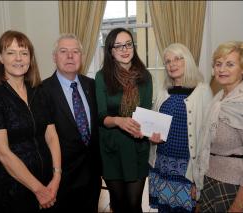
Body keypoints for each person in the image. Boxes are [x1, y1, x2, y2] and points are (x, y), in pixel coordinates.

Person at [0, 30, 61, 213]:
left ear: (30, 59)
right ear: (0, 57)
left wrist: (56, 177)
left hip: (48, 181)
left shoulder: (40, 92)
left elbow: (52, 137)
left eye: (24, 53)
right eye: (11, 52)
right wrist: (39, 190)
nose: (18, 59)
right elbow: (3, 153)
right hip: (13, 187)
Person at [196, 41, 243, 212]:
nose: (222, 69)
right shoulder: (218, 99)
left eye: (230, 64)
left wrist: (238, 206)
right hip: (211, 182)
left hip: (236, 188)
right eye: (218, 64)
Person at [148, 43, 213, 212]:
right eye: (168, 61)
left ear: (188, 61)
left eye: (177, 59)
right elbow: (155, 125)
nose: (172, 64)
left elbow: (207, 138)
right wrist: (151, 135)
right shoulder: (164, 91)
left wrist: (198, 178)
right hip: (162, 164)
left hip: (187, 169)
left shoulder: (203, 91)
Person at [95, 28, 153, 213]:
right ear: (110, 51)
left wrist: (151, 131)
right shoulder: (102, 77)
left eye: (128, 44)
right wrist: (119, 121)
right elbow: (101, 116)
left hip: (137, 147)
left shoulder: (145, 77)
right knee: (119, 204)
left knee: (134, 205)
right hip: (112, 149)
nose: (124, 49)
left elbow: (146, 113)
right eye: (118, 46)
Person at [42, 34, 102, 212]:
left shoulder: (92, 85)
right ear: (54, 57)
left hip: (92, 176)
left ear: (81, 57)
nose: (70, 56)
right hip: (62, 180)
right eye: (63, 51)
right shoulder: (41, 91)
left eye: (75, 51)